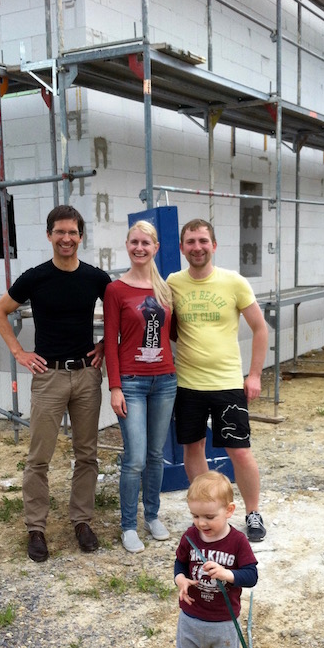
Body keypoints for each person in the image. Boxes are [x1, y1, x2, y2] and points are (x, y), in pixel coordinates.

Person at [0, 205, 111, 562]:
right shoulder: (35, 277)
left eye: (72, 232)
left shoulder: (96, 278)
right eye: (60, 232)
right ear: (49, 235)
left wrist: (105, 344)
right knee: (39, 457)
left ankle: (82, 522)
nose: (66, 238)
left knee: (86, 454)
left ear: (81, 236)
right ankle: (36, 528)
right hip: (48, 377)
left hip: (86, 375)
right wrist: (19, 352)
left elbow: (120, 314)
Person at [166, 218, 269, 542]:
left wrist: (254, 375)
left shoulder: (233, 282)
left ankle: (253, 513)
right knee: (193, 448)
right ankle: (205, 514)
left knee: (239, 451)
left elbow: (260, 328)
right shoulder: (173, 283)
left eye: (203, 241)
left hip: (227, 384)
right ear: (181, 248)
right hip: (188, 385)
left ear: (214, 245)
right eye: (191, 242)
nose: (197, 247)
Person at [104, 220, 177, 554]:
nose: (139, 248)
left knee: (155, 455)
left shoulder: (166, 290)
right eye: (134, 242)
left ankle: (152, 515)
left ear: (155, 247)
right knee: (134, 458)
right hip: (131, 383)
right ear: (127, 245)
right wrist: (115, 387)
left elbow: (174, 334)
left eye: (146, 243)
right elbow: (111, 341)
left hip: (165, 380)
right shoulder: (116, 290)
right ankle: (128, 525)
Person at [172, 470, 258, 648]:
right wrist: (180, 579)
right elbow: (180, 563)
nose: (201, 523)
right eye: (195, 515)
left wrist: (228, 574)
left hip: (224, 623)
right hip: (191, 620)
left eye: (209, 516)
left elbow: (251, 575)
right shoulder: (190, 536)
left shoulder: (238, 542)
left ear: (229, 510)